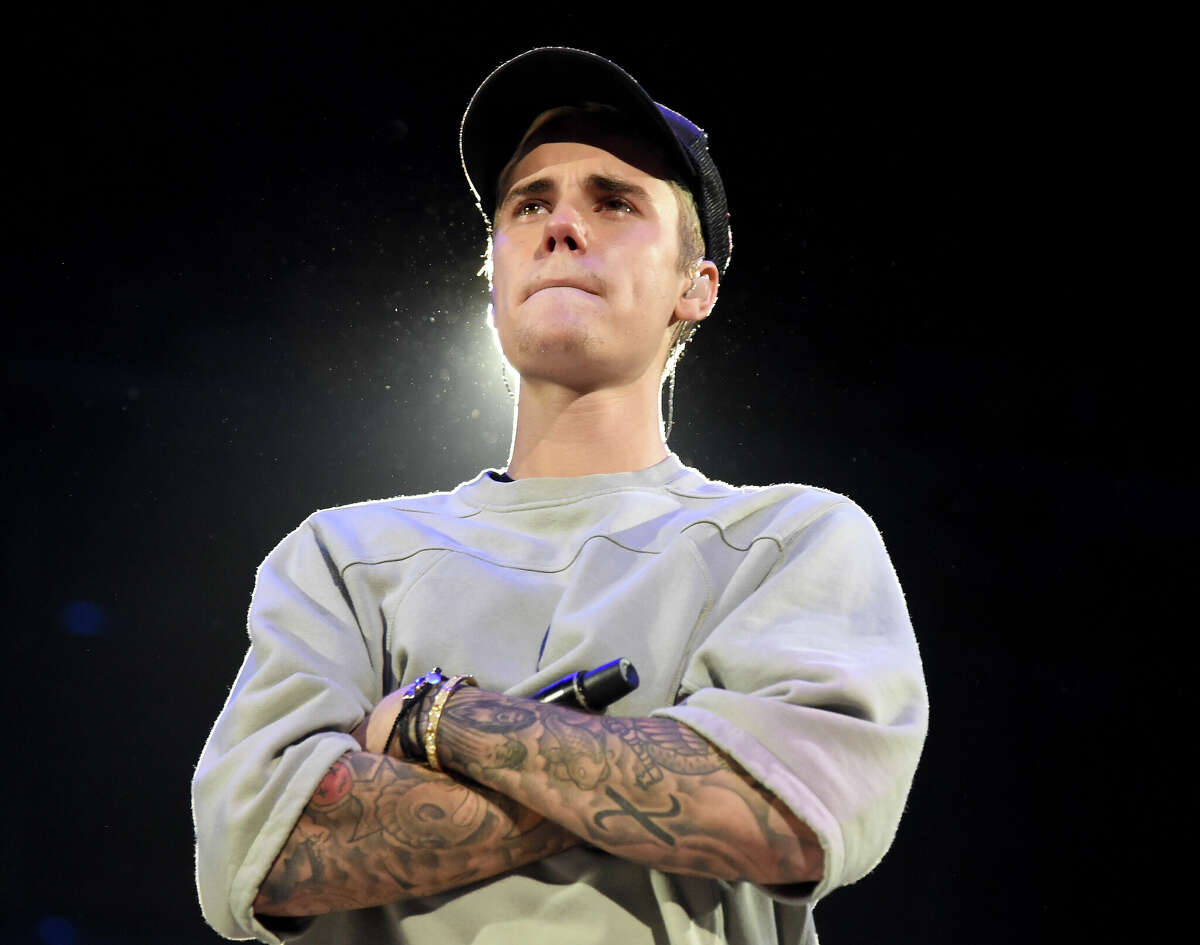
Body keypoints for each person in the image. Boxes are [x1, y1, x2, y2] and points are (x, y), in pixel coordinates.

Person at [192, 47, 928, 945]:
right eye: (528, 202)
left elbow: (777, 815)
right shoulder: (341, 557)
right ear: (493, 275)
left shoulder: (790, 539)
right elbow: (266, 851)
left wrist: (439, 718)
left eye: (613, 201)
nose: (561, 226)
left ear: (694, 289)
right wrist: (654, 758)